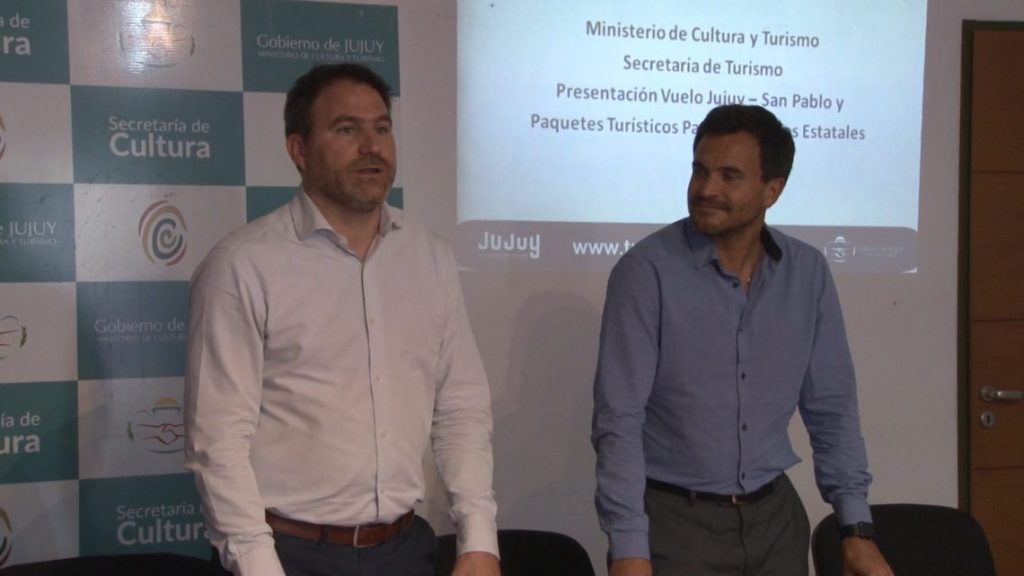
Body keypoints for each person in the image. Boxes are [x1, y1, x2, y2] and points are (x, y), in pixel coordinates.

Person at [184, 63, 500, 576]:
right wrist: (259, 566)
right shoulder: (243, 265)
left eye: (382, 128)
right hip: (287, 554)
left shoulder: (430, 256)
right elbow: (217, 442)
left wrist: (479, 538)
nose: (372, 146)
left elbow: (460, 407)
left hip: (405, 550)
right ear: (299, 150)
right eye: (347, 130)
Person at [591, 104, 893, 576]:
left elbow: (832, 410)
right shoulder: (646, 272)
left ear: (773, 190)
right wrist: (629, 547)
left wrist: (855, 527)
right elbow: (619, 419)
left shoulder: (807, 272)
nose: (706, 189)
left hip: (776, 524)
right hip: (675, 526)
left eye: (729, 176)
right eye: (700, 170)